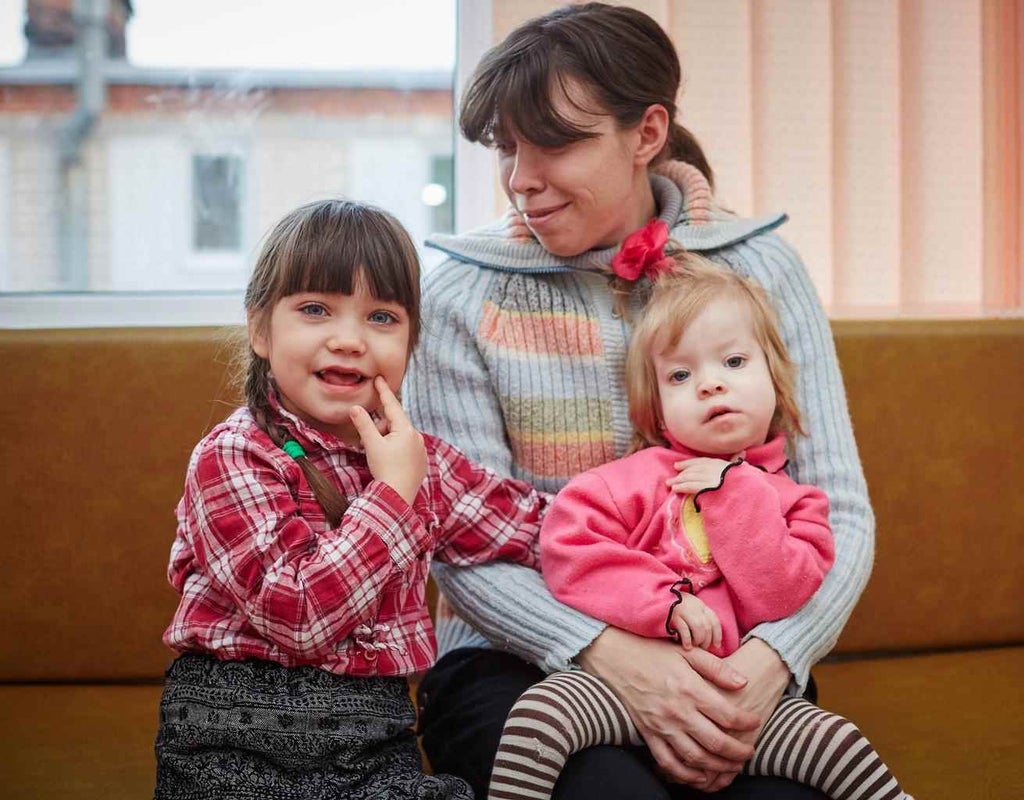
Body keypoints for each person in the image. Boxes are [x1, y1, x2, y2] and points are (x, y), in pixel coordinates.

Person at [408, 4, 875, 798]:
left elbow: (840, 511)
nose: (521, 177)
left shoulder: (761, 272)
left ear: (647, 133)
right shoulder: (460, 296)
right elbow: (460, 547)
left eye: (554, 141)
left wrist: (774, 660)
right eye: (505, 147)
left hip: (732, 655)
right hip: (512, 662)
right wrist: (615, 657)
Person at [154, 199, 547, 800]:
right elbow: (300, 617)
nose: (349, 339)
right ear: (261, 329)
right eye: (315, 309)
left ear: (412, 343)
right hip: (230, 745)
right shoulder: (233, 456)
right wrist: (391, 496)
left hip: (372, 748)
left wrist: (669, 524)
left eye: (382, 317)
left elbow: (536, 526)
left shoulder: (422, 462)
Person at [489, 253, 909, 800]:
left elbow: (781, 596)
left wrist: (734, 493)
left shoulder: (796, 503)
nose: (710, 385)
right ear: (658, 411)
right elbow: (569, 550)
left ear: (777, 383)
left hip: (741, 707)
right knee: (540, 715)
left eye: (733, 363)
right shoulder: (629, 481)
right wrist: (664, 601)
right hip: (620, 691)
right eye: (681, 375)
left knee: (839, 744)